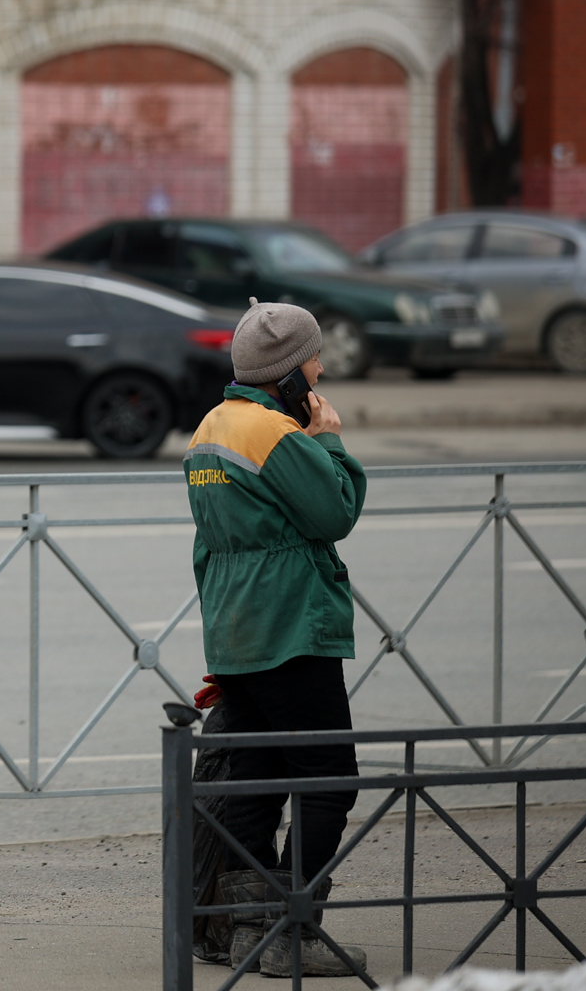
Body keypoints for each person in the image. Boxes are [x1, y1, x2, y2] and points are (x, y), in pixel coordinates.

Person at [185, 297, 368, 978]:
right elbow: (334, 512)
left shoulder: (210, 428)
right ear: (287, 372)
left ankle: (249, 932)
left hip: (235, 628)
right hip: (291, 626)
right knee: (329, 779)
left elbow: (212, 543)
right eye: (314, 362)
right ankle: (293, 929)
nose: (321, 373)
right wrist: (328, 441)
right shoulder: (274, 433)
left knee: (257, 782)